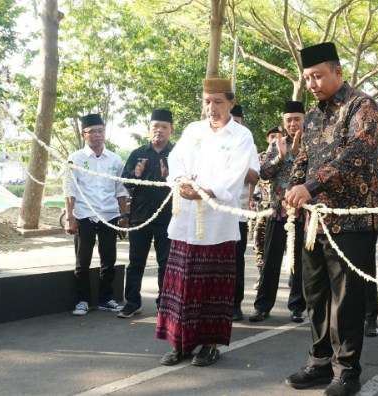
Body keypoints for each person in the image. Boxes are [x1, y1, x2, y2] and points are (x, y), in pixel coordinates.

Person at [284, 42, 378, 396]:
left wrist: (310, 186)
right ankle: (319, 361)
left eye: (318, 76)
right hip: (314, 221)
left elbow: (359, 151)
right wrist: (294, 186)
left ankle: (347, 372)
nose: (312, 84)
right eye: (308, 78)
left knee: (347, 299)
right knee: (316, 295)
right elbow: (303, 157)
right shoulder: (311, 117)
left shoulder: (363, 106)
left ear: (338, 72)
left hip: (352, 221)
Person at [155, 78, 255, 367]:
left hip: (218, 223)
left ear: (231, 103)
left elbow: (236, 175)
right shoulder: (193, 130)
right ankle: (180, 343)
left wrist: (209, 191)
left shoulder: (242, 135)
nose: (212, 108)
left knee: (213, 287)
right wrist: (180, 182)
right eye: (207, 102)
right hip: (185, 219)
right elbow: (176, 162)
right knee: (180, 284)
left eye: (218, 102)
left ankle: (210, 344)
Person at [65, 113, 129, 316]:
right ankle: (82, 300)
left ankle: (105, 299)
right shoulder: (75, 159)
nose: (97, 135)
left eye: (100, 130)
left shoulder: (115, 159)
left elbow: (120, 190)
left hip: (109, 215)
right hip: (84, 215)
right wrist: (70, 217)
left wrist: (124, 216)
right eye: (92, 131)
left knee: (108, 259)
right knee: (82, 261)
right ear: (83, 134)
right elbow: (70, 191)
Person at [249, 102, 307, 323]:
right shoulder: (275, 145)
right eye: (289, 120)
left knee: (299, 263)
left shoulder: (313, 144)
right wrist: (280, 157)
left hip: (303, 213)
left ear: (304, 120)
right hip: (277, 212)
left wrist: (297, 154)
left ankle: (297, 307)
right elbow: (264, 174)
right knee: (270, 262)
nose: (293, 124)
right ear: (284, 122)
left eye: (297, 119)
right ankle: (262, 306)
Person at [118, 109, 174, 318]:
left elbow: (185, 182)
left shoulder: (176, 154)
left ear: (171, 130)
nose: (159, 130)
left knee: (166, 263)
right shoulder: (137, 153)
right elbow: (125, 182)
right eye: (155, 127)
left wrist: (170, 176)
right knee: (135, 262)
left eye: (164, 127)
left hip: (168, 217)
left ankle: (164, 304)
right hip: (140, 217)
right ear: (149, 129)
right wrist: (136, 174)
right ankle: (132, 302)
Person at [229, 104, 260, 322]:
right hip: (211, 213)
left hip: (236, 212)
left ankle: (235, 304)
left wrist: (237, 161)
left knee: (236, 261)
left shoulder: (249, 145)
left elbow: (254, 178)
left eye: (236, 122)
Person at [252, 127, 281, 290]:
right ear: (267, 139)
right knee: (259, 240)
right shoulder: (261, 158)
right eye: (272, 136)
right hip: (263, 207)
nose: (275, 139)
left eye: (278, 136)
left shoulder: (290, 152)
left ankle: (293, 277)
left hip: (284, 207)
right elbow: (256, 179)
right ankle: (261, 276)